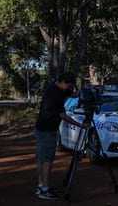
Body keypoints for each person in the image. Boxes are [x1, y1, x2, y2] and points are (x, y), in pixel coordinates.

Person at [34, 72, 84, 200]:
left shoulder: (56, 88)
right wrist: (79, 124)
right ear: (62, 82)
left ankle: (41, 186)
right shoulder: (54, 94)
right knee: (47, 161)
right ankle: (44, 190)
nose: (69, 87)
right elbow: (63, 115)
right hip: (47, 131)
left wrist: (79, 92)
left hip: (43, 129)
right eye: (68, 85)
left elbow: (72, 94)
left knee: (42, 158)